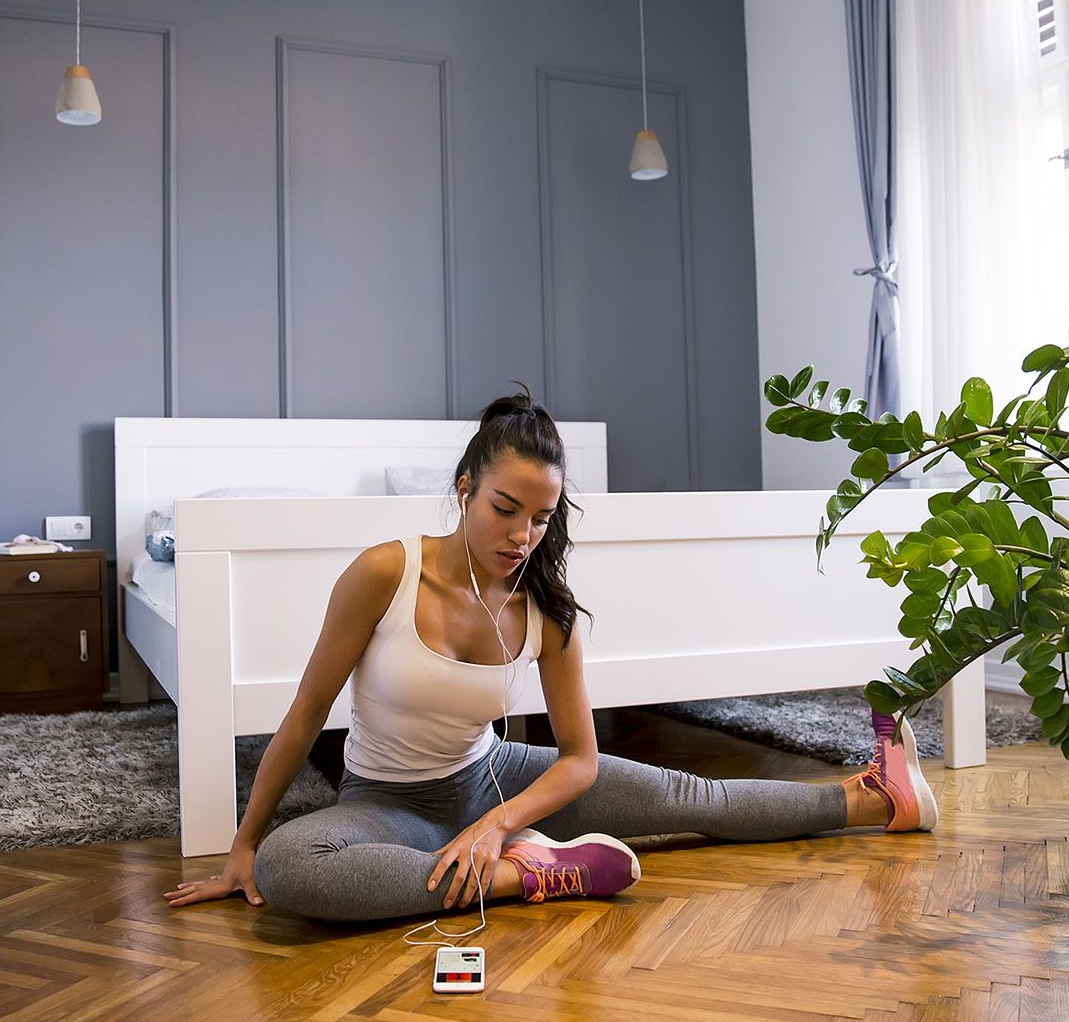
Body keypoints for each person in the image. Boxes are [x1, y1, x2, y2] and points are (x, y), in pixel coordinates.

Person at [164, 386, 939, 923]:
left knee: (688, 798)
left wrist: (499, 821)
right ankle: (529, 876)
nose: (520, 536)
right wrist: (243, 843)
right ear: (465, 486)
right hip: (387, 805)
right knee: (288, 867)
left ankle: (877, 795)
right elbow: (302, 717)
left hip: (497, 781)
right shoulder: (383, 573)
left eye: (539, 518)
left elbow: (578, 759)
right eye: (505, 509)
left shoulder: (547, 611)